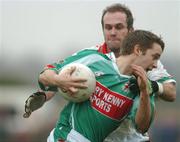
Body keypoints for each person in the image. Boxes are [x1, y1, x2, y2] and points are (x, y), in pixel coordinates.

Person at [23, 3, 176, 142]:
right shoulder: (93, 57)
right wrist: (44, 95)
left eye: (119, 27)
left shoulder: (148, 64)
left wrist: (151, 87)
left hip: (131, 137)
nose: (113, 32)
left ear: (130, 30)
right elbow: (59, 77)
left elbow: (171, 92)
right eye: (108, 27)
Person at [38, 30, 164, 142]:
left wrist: (144, 93)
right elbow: (45, 75)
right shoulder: (95, 60)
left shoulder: (142, 87)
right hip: (66, 136)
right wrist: (59, 80)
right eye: (155, 57)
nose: (155, 65)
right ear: (138, 50)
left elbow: (142, 127)